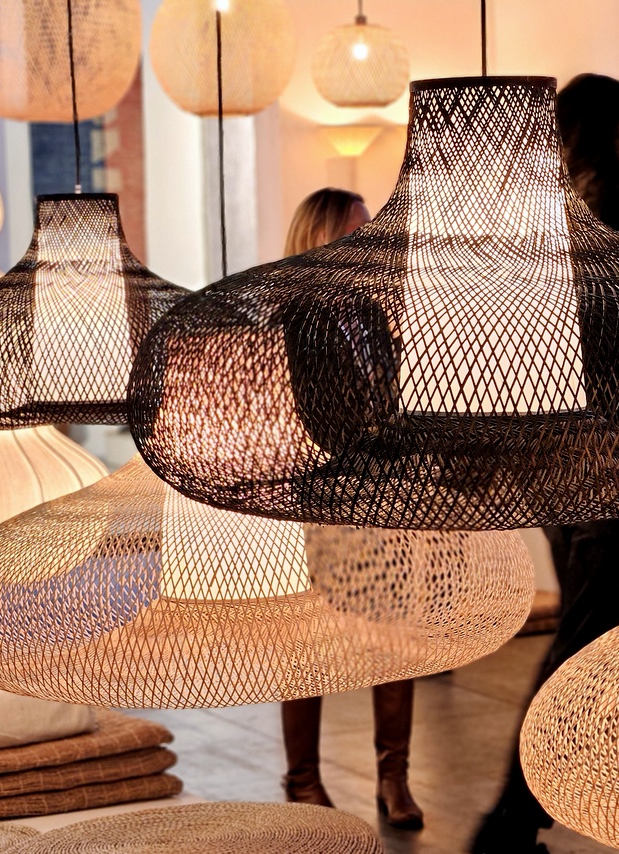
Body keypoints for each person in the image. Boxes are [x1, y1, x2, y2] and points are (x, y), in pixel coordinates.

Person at [471, 73, 619, 854]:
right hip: (615, 459)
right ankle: (509, 821)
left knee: (595, 628)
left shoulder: (540, 222)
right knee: (586, 634)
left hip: (554, 459)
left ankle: (595, 777)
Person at [277, 188, 424, 831]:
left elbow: (389, 400)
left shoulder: (371, 314)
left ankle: (394, 777)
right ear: (321, 235)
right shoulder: (292, 318)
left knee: (396, 639)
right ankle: (302, 779)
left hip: (383, 497)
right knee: (308, 643)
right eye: (356, 230)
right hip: (318, 499)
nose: (369, 241)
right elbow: (314, 414)